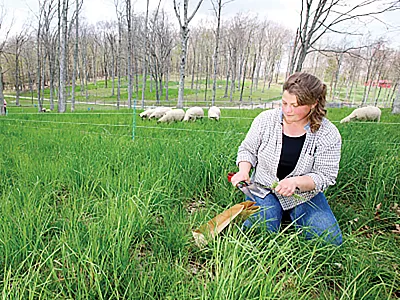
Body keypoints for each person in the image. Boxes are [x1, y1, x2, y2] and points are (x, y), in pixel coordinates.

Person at [230, 72, 343, 246]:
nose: (287, 110)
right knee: (259, 231)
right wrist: (244, 171)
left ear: (313, 104)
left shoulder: (328, 133)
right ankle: (274, 212)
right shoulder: (265, 120)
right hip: (264, 188)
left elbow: (325, 175)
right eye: (284, 103)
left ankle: (291, 213)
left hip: (304, 195)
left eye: (296, 105)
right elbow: (247, 150)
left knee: (329, 240)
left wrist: (296, 182)